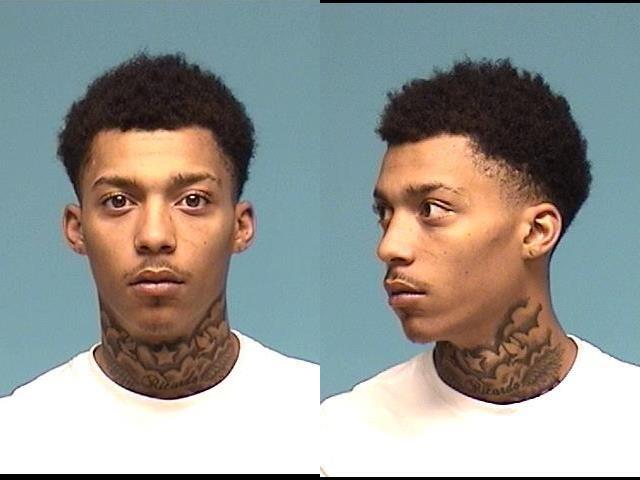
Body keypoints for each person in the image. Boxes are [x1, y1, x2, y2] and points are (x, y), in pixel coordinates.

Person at [0, 53, 318, 474]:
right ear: (77, 229)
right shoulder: (15, 439)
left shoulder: (318, 423)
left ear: (240, 227)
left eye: (193, 200)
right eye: (118, 201)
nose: (154, 235)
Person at [320, 59, 640, 476]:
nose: (389, 247)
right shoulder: (338, 440)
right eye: (385, 212)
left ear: (536, 231)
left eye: (432, 209)